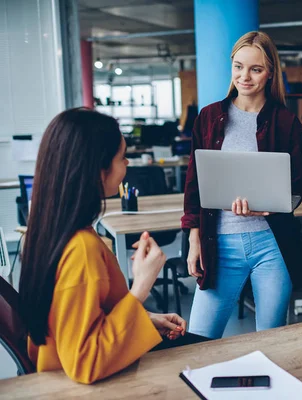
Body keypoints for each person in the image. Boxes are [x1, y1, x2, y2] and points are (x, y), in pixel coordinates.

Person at [19, 108, 191, 384]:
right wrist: (141, 287)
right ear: (99, 170)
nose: (126, 165)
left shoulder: (49, 232)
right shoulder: (82, 250)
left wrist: (143, 318)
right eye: (122, 157)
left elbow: (79, 316)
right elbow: (84, 363)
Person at [182, 31, 302, 339]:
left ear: (270, 73)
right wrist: (193, 238)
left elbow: (295, 189)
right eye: (238, 66)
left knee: (272, 341)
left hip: (272, 246)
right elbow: (194, 185)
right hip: (219, 243)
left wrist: (269, 206)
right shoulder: (209, 117)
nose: (245, 76)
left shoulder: (286, 122)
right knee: (198, 338)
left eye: (256, 69)